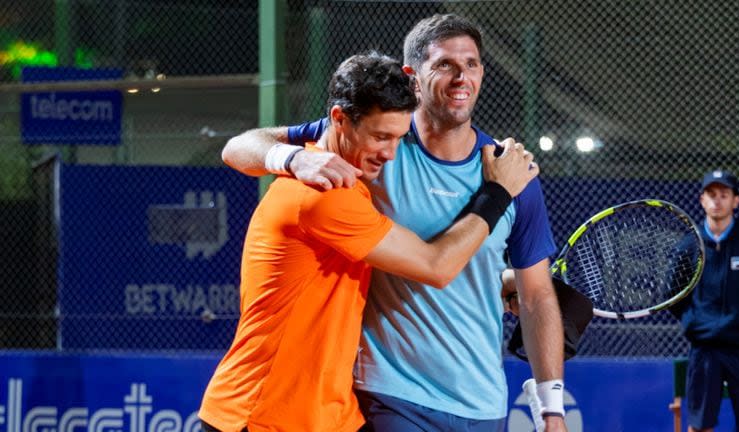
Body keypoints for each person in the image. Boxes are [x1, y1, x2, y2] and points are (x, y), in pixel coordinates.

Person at [221, 14, 567, 432]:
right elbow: (240, 146)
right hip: (388, 395)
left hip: (481, 402)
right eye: (445, 65)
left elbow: (536, 298)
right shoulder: (360, 152)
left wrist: (552, 411)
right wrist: (295, 156)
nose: (462, 77)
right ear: (413, 78)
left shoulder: (511, 172)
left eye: (472, 64)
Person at [671, 169, 739, 432]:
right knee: (700, 427)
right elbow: (673, 295)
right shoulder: (688, 246)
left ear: (736, 200)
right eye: (711, 195)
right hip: (705, 351)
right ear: (701, 199)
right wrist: (696, 321)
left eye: (724, 195)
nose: (717, 201)